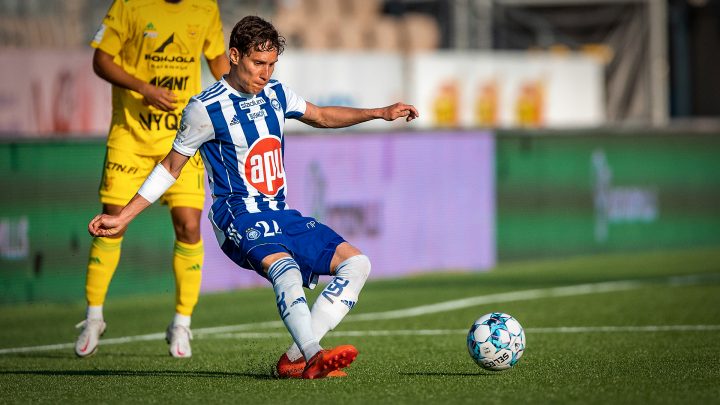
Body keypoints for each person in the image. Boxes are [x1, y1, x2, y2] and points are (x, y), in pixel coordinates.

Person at [87, 15, 419, 379]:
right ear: (233, 55)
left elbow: (321, 115)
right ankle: (314, 356)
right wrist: (123, 216)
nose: (265, 72)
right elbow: (170, 166)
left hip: (280, 213)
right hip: (238, 216)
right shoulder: (204, 108)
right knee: (286, 270)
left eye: (272, 64)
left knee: (358, 264)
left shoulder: (276, 93)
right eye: (258, 63)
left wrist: (379, 112)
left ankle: (295, 356)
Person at [75, 0, 230, 359]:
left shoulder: (204, 8)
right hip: (131, 137)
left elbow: (219, 62)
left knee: (189, 226)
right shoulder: (130, 5)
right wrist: (145, 89)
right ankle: (94, 316)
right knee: (112, 221)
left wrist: (241, 98)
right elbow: (101, 60)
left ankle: (182, 322)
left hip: (181, 137)